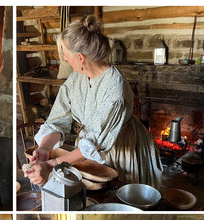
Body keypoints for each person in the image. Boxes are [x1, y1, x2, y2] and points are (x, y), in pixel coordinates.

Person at [25, 15, 162, 188]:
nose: (65, 59)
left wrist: (51, 165)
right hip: (88, 150)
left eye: (65, 55)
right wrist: (45, 148)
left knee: (116, 194)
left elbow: (92, 147)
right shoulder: (76, 79)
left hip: (119, 149)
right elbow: (58, 119)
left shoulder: (114, 88)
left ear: (80, 58)